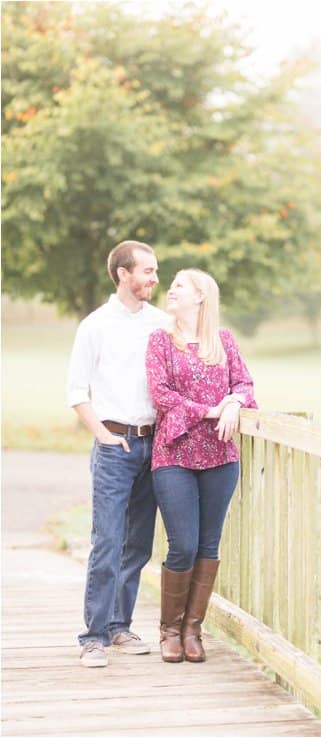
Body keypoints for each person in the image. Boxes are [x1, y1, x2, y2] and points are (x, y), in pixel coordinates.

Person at [144, 268, 256, 662]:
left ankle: (193, 630)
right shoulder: (160, 340)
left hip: (220, 458)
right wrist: (212, 408)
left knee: (209, 546)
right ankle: (169, 630)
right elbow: (161, 394)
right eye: (170, 286)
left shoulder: (223, 341)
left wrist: (234, 403)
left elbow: (245, 384)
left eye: (178, 287)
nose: (169, 291)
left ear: (201, 297)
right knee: (183, 545)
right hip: (174, 455)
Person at [67, 240, 169, 667]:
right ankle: (93, 637)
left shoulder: (162, 324)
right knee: (107, 541)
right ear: (123, 273)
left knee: (137, 545)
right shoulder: (95, 325)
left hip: (154, 444)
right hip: (115, 445)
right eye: (147, 271)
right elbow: (76, 391)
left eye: (156, 271)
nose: (154, 279)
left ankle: (119, 625)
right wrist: (104, 436)